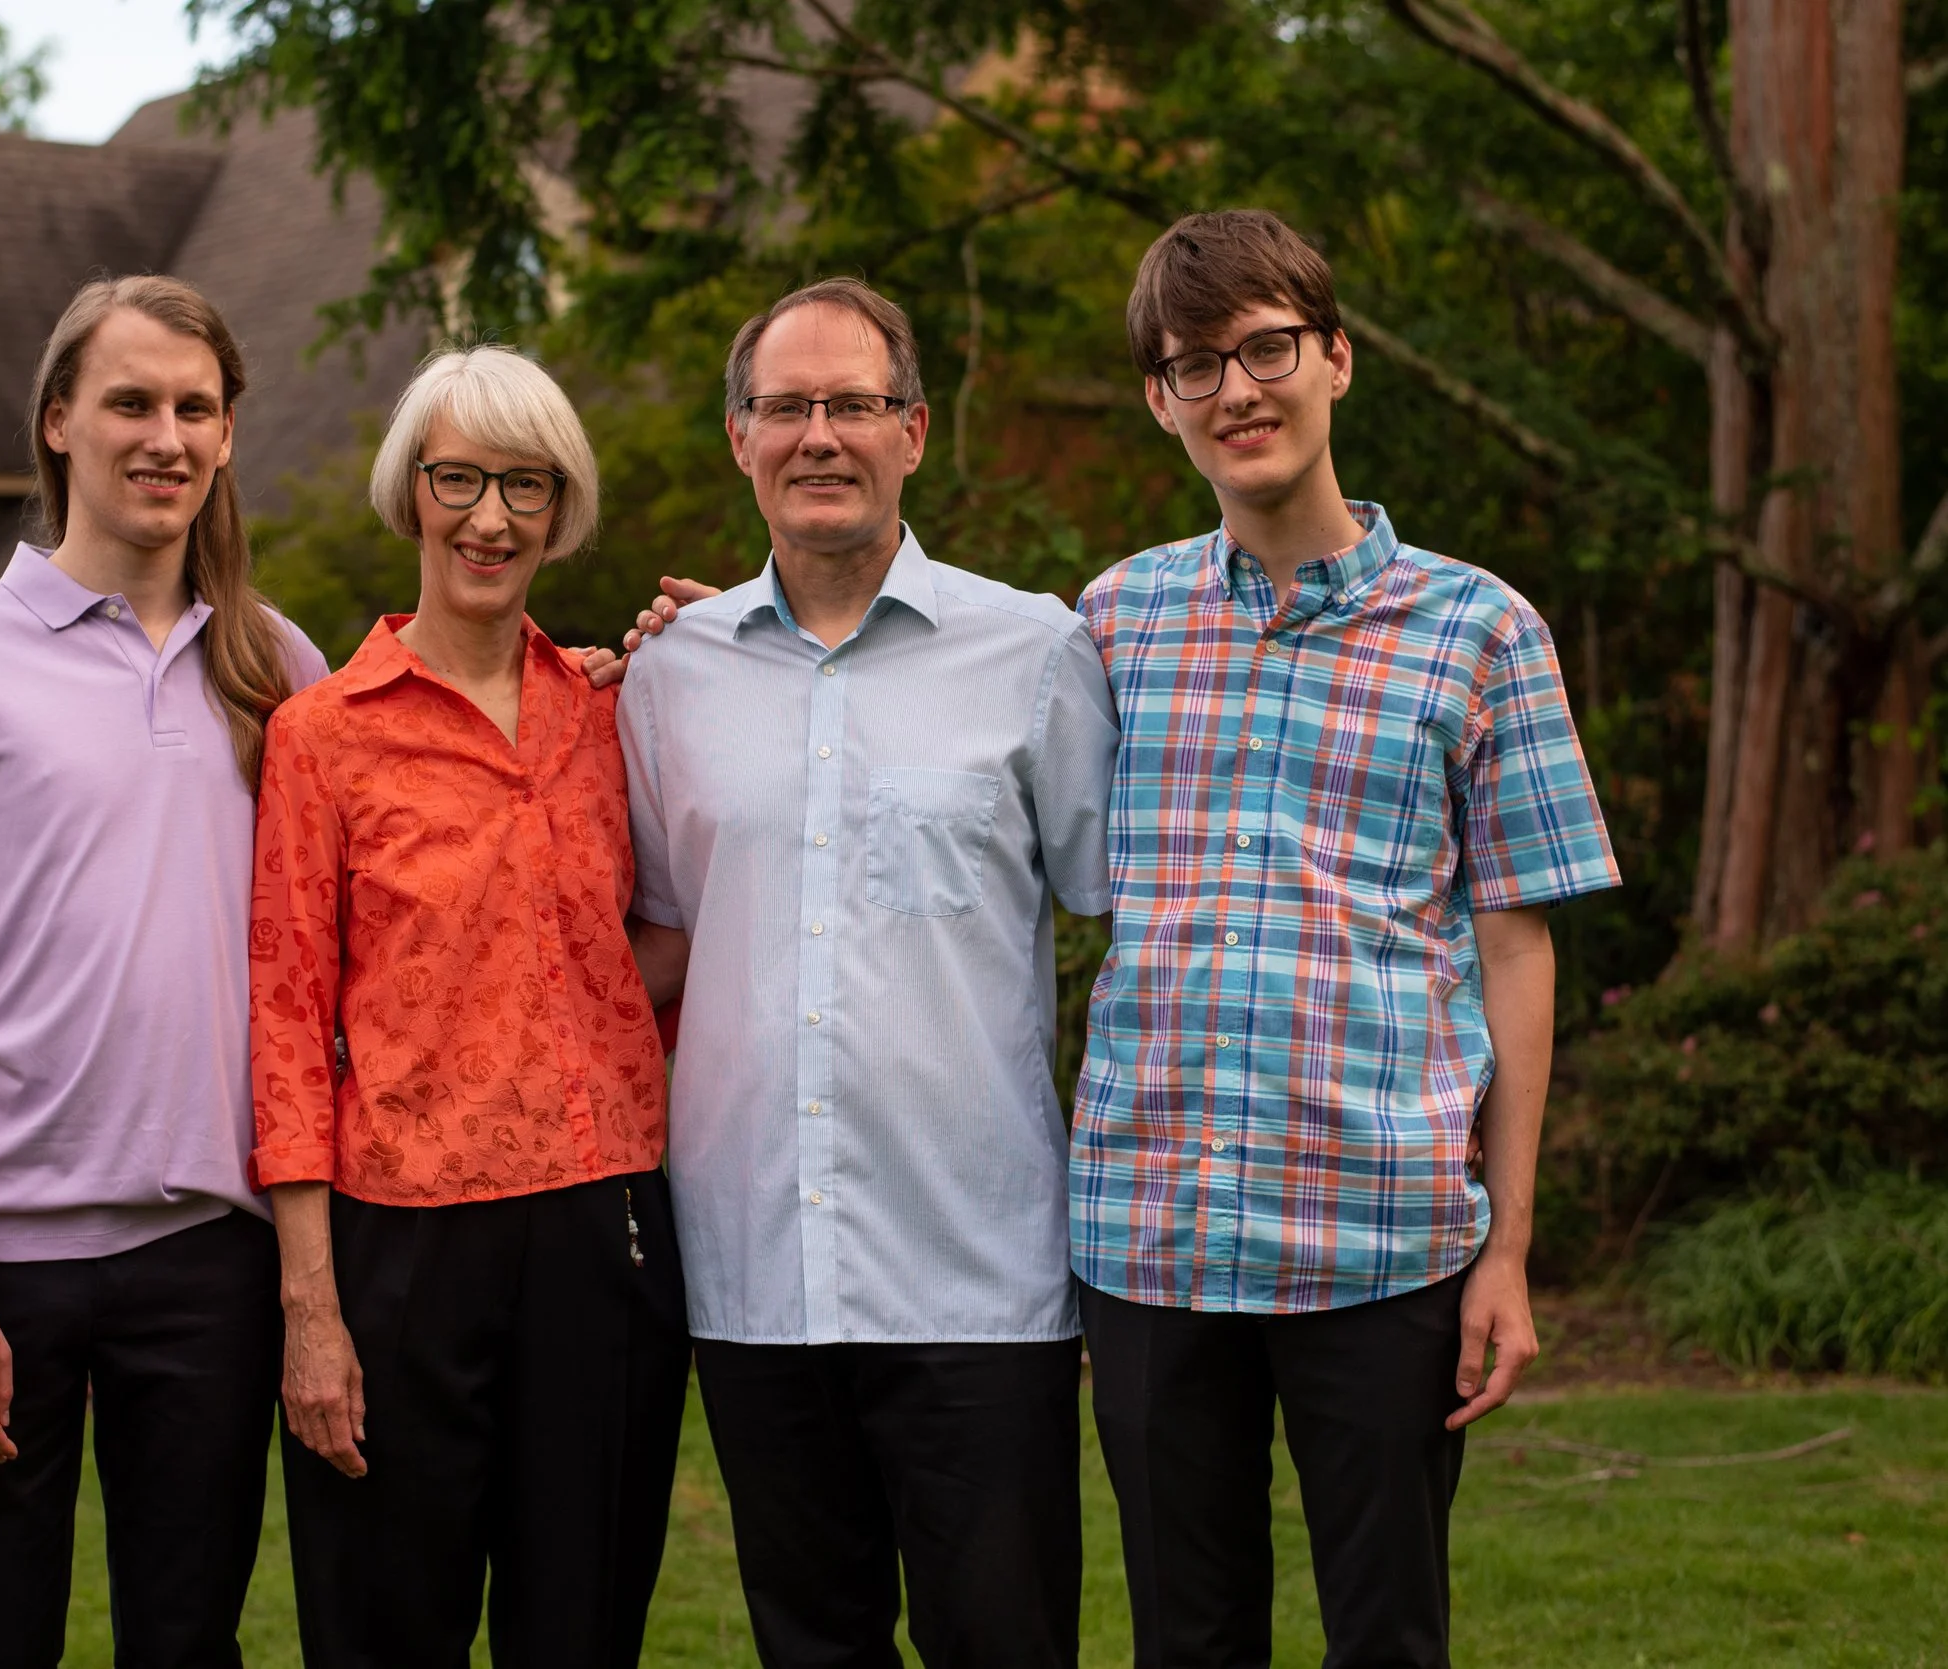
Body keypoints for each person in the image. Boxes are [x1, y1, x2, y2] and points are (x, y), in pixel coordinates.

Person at [1069, 209, 1620, 1668]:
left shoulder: (1479, 631)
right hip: (1152, 1240)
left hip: (1383, 1239)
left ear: (1336, 360)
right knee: (1188, 1640)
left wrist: (1509, 1248)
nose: (1237, 390)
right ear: (1162, 400)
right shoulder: (1116, 621)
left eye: (1267, 349)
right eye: (1198, 365)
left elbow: (1517, 947)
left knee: (1389, 1636)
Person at [615, 277, 1118, 1669]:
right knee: (809, 1646)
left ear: (914, 430)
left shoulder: (1037, 653)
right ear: (740, 440)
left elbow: (1125, 911)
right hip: (756, 1269)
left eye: (852, 404)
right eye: (787, 407)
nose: (818, 434)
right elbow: (653, 940)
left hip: (979, 1268)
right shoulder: (671, 679)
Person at [0, 274, 329, 1667]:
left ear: (230, 434)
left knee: (191, 1645)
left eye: (196, 406)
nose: (164, 434)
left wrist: (621, 681)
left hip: (209, 1261)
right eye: (130, 401)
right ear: (59, 422)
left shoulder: (274, 666)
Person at [249, 345, 688, 1668]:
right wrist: (311, 1314)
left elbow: (659, 933)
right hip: (400, 1250)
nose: (490, 518)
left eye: (524, 486)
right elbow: (282, 1030)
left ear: (562, 511)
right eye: (460, 479)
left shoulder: (616, 715)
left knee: (582, 1629)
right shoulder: (321, 737)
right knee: (387, 1630)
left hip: (599, 1236)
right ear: (412, 493)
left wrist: (713, 652)